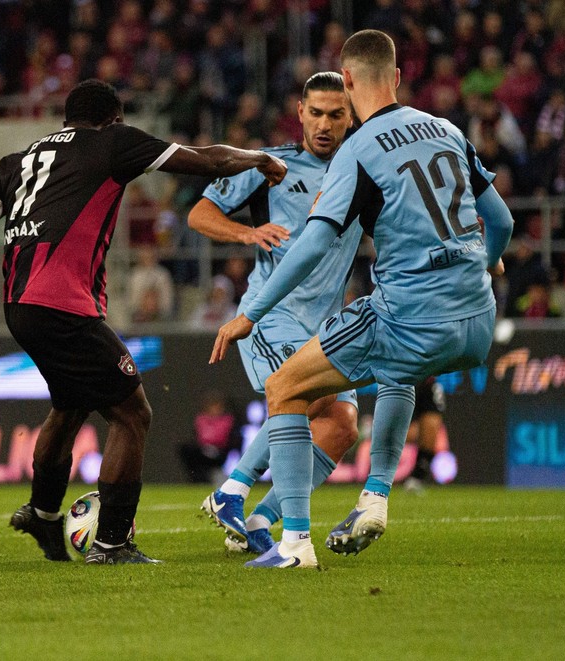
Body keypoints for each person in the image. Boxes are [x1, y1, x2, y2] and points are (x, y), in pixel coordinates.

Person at [0, 79, 287, 565]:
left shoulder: (21, 159)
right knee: (132, 414)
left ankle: (44, 513)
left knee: (70, 406)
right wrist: (260, 159)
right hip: (62, 305)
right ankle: (113, 544)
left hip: (19, 306)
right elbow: (208, 160)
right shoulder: (114, 142)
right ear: (113, 117)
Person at [210, 30, 513, 568]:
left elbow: (310, 246)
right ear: (396, 78)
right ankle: (373, 497)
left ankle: (293, 544)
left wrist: (248, 314)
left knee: (285, 388)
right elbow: (503, 221)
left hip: (408, 316)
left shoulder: (359, 149)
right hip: (477, 322)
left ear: (347, 84)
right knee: (391, 379)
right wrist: (486, 259)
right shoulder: (446, 128)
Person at [188, 71, 361, 554]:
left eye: (336, 114)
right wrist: (247, 233)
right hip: (272, 314)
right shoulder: (270, 165)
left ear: (351, 117)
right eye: (317, 113)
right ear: (300, 113)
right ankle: (233, 490)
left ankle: (260, 517)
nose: (325, 124)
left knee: (342, 425)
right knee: (308, 397)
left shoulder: (361, 170)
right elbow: (198, 213)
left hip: (326, 321)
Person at [402, 376, 447, 492]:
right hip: (401, 379)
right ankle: (379, 477)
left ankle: (417, 477)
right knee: (397, 432)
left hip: (427, 380)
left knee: (431, 427)